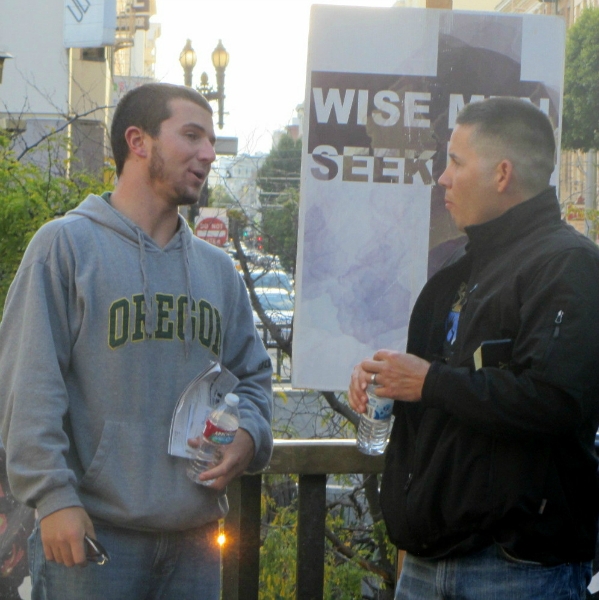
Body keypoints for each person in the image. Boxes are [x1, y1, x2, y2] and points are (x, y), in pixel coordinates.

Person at [0, 83, 273, 599]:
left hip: (195, 545)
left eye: (211, 141)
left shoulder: (217, 272)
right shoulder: (66, 248)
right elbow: (26, 385)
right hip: (94, 541)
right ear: (138, 141)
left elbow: (255, 377)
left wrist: (248, 436)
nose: (208, 154)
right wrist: (53, 497)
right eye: (191, 136)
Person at [349, 97, 599, 600]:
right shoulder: (465, 266)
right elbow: (446, 391)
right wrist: (390, 381)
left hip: (517, 568)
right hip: (428, 557)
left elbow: (558, 399)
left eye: (456, 162)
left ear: (502, 173)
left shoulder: (569, 264)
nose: (442, 178)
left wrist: (428, 381)